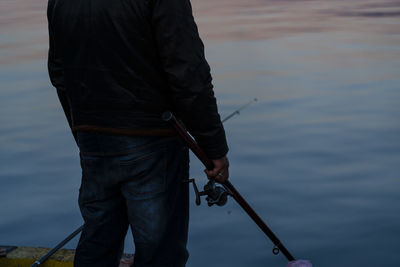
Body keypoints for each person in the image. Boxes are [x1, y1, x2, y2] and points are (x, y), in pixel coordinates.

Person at [47, 0, 229, 266]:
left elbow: (58, 73)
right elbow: (188, 73)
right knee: (161, 252)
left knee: (98, 241)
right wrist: (213, 147)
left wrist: (83, 130)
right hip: (152, 140)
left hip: (93, 140)